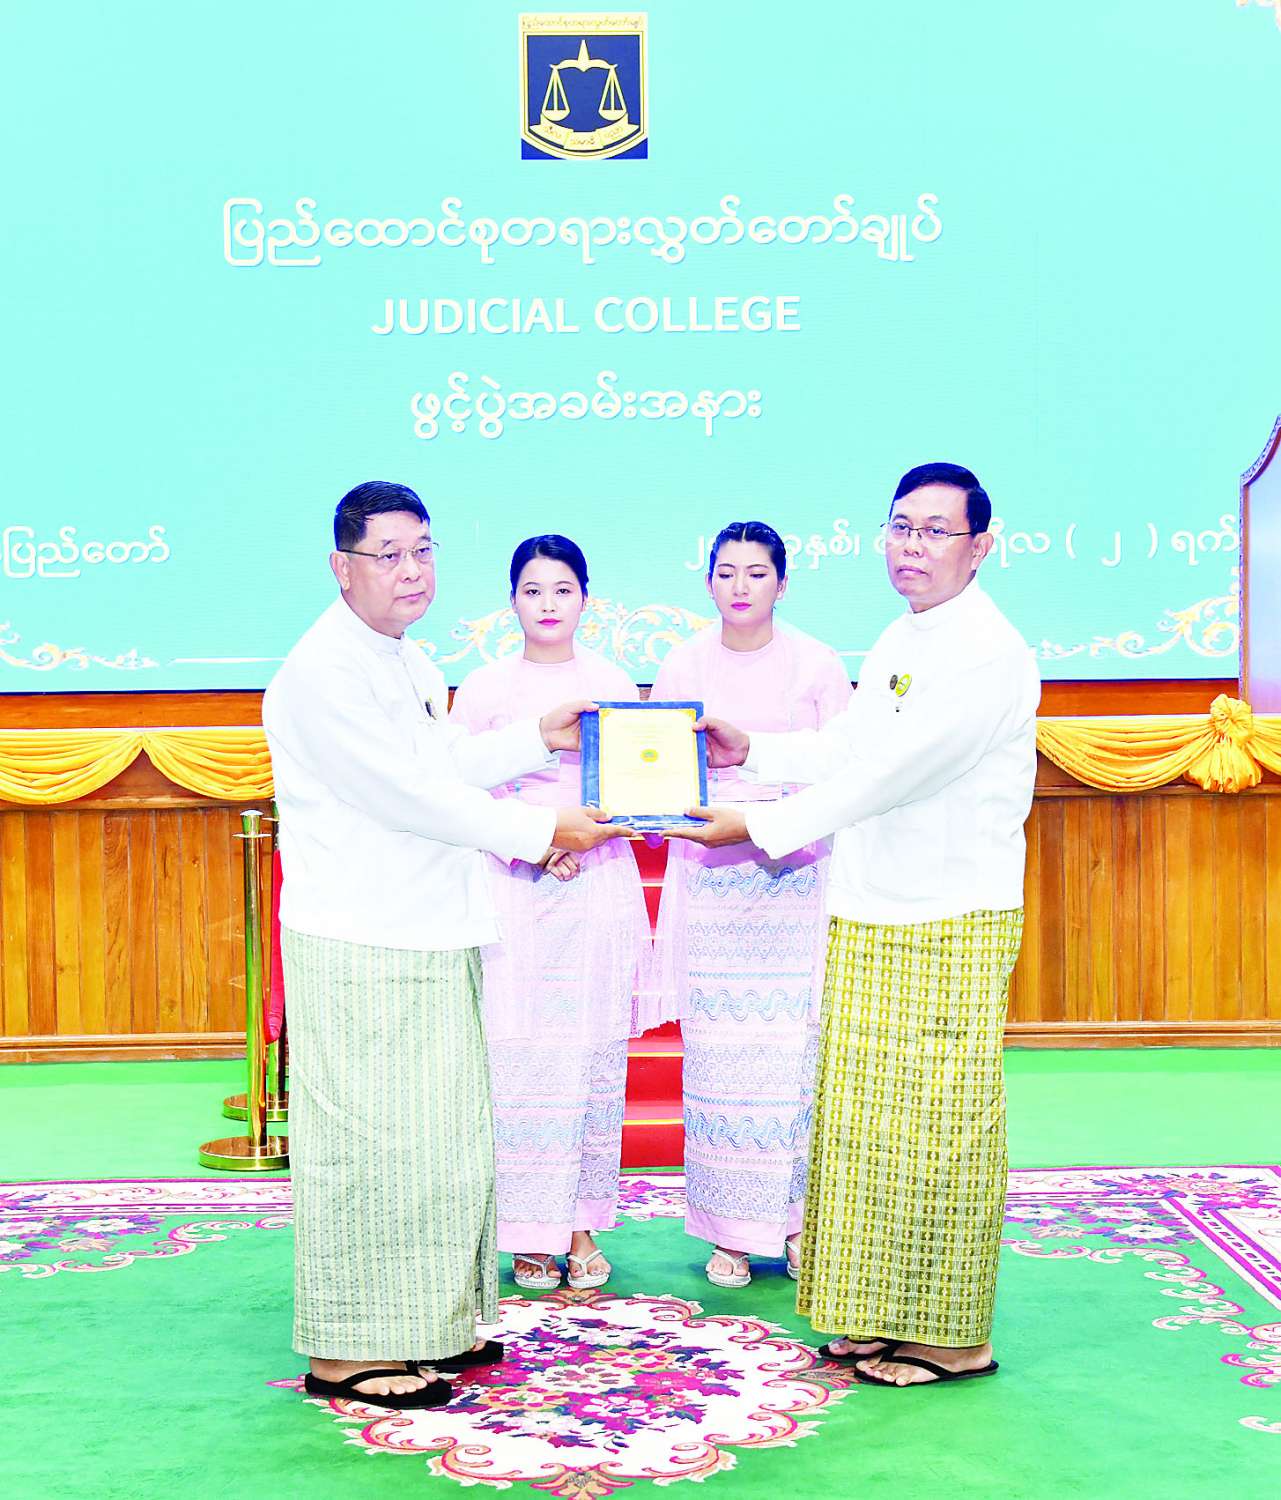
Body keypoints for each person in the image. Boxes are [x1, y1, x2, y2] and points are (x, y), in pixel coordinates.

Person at [670, 464, 1039, 1387]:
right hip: (873, 907)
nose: (911, 546)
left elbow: (893, 774)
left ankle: (952, 1334)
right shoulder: (903, 635)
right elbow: (852, 745)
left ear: (980, 546)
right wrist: (755, 748)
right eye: (900, 527)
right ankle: (881, 1313)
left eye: (934, 531)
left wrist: (755, 824)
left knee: (941, 1125)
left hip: (949, 913)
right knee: (870, 1125)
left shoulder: (988, 650)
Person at [262, 482, 626, 1410]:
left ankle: (424, 1324)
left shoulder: (405, 658)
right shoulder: (322, 671)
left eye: (422, 549)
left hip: (427, 927)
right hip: (362, 933)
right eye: (387, 554)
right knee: (366, 1147)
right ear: (340, 566)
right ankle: (347, 1350)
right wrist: (541, 830)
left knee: (433, 1142)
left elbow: (440, 766)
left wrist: (533, 739)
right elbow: (405, 795)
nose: (411, 570)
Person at [649, 521, 851, 1288]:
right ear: (707, 580)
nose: (740, 586)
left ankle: (796, 1223)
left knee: (794, 1058)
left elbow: (847, 769)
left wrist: (776, 814)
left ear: (782, 582)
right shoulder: (681, 663)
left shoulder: (818, 664)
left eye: (756, 572)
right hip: (713, 876)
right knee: (720, 1059)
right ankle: (728, 1232)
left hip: (795, 875)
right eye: (726, 572)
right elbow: (655, 768)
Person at [450, 534, 652, 1293]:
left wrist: (582, 834)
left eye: (562, 590)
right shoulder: (483, 688)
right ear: (511, 601)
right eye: (532, 590)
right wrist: (536, 842)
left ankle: (579, 1226)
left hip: (595, 881)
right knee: (521, 1060)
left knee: (588, 1057)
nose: (547, 604)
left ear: (585, 599)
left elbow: (636, 779)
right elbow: (459, 788)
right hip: (514, 885)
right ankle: (525, 1232)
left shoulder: (610, 682)